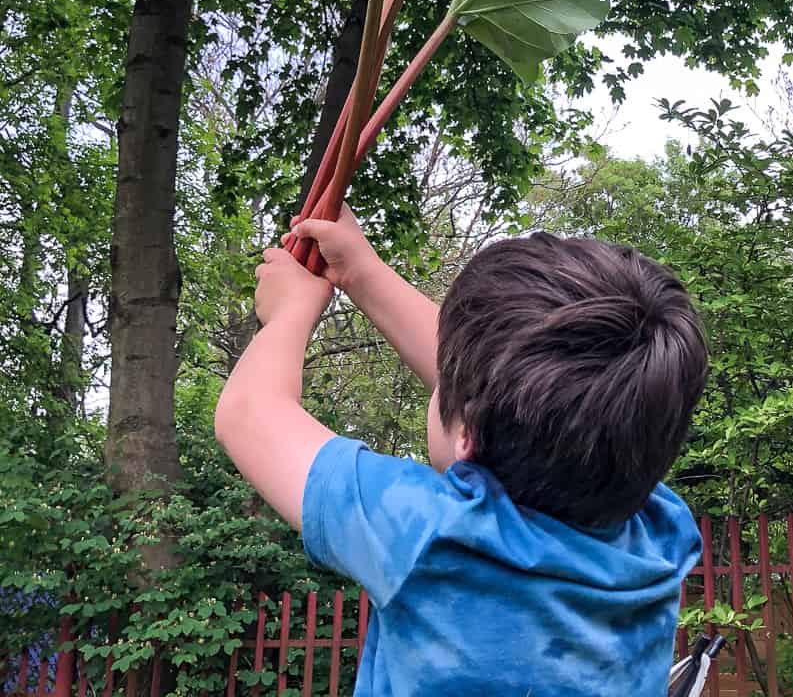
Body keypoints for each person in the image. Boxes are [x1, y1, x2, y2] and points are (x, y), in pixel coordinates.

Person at [214, 207, 709, 696]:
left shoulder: (434, 537)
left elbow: (249, 412)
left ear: (469, 433)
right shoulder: (663, 533)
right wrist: (360, 272)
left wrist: (289, 311)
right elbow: (518, 400)